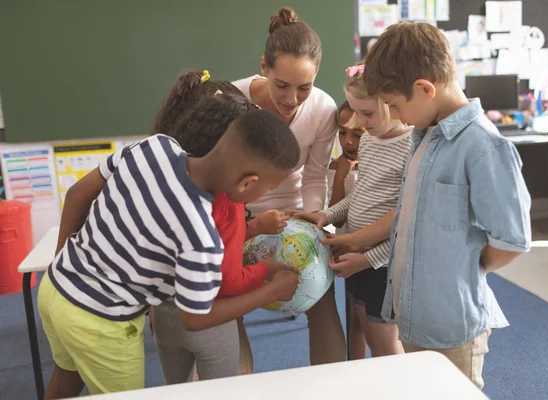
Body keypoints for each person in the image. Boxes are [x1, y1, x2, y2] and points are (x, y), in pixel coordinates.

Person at [37, 100, 302, 397]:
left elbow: (76, 194)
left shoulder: (155, 146)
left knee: (66, 381)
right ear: (246, 184)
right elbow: (195, 317)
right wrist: (272, 290)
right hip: (101, 322)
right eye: (268, 187)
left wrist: (65, 266)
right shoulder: (201, 233)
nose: (266, 193)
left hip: (54, 288)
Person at [361, 21, 532, 388]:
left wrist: (465, 268)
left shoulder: (484, 147)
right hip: (412, 316)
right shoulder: (422, 137)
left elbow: (511, 239)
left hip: (453, 324)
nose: (396, 116)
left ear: (424, 88)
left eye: (395, 105)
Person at [148, 70, 301, 384]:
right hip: (209, 318)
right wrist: (267, 277)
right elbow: (227, 282)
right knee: (225, 389)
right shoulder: (227, 201)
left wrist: (254, 227)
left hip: (162, 313)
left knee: (175, 389)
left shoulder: (168, 177)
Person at [233, 6, 345, 369]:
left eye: (304, 87)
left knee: (321, 295)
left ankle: (333, 389)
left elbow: (315, 175)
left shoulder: (324, 108)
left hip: (293, 214)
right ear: (264, 67)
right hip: (237, 213)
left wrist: (312, 217)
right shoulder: (233, 101)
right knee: (224, 308)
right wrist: (243, 227)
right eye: (281, 85)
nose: (291, 99)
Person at [292, 62, 411, 358]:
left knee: (385, 343)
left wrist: (368, 259)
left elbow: (406, 222)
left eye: (367, 113)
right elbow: (359, 197)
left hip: (382, 264)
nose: (360, 122)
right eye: (356, 112)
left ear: (390, 101)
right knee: (366, 333)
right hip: (356, 257)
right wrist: (326, 216)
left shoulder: (410, 145)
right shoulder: (369, 140)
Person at [326, 101, 363, 235]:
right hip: (344, 247)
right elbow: (337, 222)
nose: (348, 141)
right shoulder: (336, 166)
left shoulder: (378, 166)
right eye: (342, 132)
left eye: (358, 135)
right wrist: (340, 177)